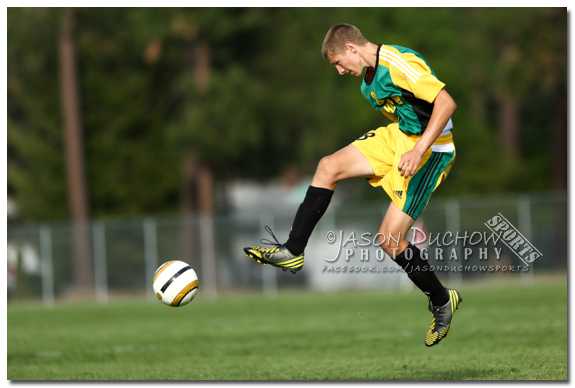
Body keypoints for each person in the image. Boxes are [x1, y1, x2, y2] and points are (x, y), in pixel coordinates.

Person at [244, 23, 461, 347]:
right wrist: (405, 146)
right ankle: (293, 250)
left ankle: (442, 300)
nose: (341, 71)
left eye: (338, 64)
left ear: (350, 48)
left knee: (389, 240)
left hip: (432, 151)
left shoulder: (397, 62)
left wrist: (418, 149)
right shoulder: (368, 85)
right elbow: (409, 114)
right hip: (401, 139)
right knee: (328, 166)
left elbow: (446, 104)